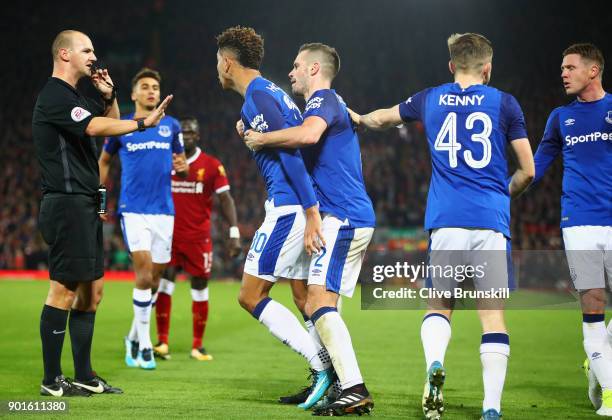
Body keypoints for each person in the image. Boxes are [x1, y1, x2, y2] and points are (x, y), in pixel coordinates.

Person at [347, 33, 534, 420]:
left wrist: (358, 119)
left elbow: (382, 118)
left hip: (446, 221)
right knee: (492, 314)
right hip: (490, 223)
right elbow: (527, 171)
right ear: (488, 68)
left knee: (439, 305)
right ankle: (492, 408)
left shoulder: (429, 98)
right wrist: (503, 196)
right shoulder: (505, 104)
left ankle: (434, 364)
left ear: (451, 65)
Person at [32, 30, 172, 396]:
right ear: (65, 54)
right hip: (66, 202)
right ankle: (51, 381)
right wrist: (142, 122)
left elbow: (109, 130)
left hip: (84, 202)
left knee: (92, 292)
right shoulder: (54, 95)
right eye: (86, 49)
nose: (94, 55)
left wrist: (110, 96)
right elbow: (95, 126)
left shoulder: (76, 96)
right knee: (62, 290)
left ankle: (83, 375)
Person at [244, 43, 376, 416]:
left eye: (297, 65)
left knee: (317, 302)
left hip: (343, 217)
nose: (291, 72)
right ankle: (340, 383)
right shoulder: (329, 105)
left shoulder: (323, 102)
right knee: (316, 302)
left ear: (315, 69)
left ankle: (353, 387)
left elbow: (306, 137)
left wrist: (261, 138)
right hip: (344, 216)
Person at [216, 26, 334, 406]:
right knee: (302, 296)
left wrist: (310, 210)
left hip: (289, 208)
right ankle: (332, 377)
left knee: (250, 295)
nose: (216, 69)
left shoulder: (258, 96)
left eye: (218, 62)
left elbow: (291, 155)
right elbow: (282, 142)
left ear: (228, 62)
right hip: (295, 204)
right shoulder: (269, 93)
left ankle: (320, 366)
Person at [531, 43, 612, 417]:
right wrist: (499, 190)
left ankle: (597, 366)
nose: (563, 73)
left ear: (593, 70)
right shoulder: (561, 117)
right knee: (593, 305)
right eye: (562, 67)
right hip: (578, 222)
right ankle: (611, 393)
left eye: (570, 67)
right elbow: (536, 167)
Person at [98, 68, 188, 370]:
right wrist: (100, 198)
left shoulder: (172, 126)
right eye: (145, 87)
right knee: (144, 272)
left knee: (156, 278)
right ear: (134, 94)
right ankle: (146, 344)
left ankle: (133, 337)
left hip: (164, 210)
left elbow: (180, 164)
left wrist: (183, 167)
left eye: (155, 87)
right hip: (133, 208)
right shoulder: (122, 125)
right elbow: (105, 160)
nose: (151, 91)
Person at [153, 116, 241, 361]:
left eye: (191, 132)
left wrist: (233, 232)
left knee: (200, 289)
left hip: (198, 239)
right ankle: (162, 342)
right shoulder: (165, 160)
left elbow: (226, 199)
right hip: (168, 235)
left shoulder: (211, 165)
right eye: (183, 132)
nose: (186, 136)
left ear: (198, 136)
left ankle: (197, 345)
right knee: (164, 284)